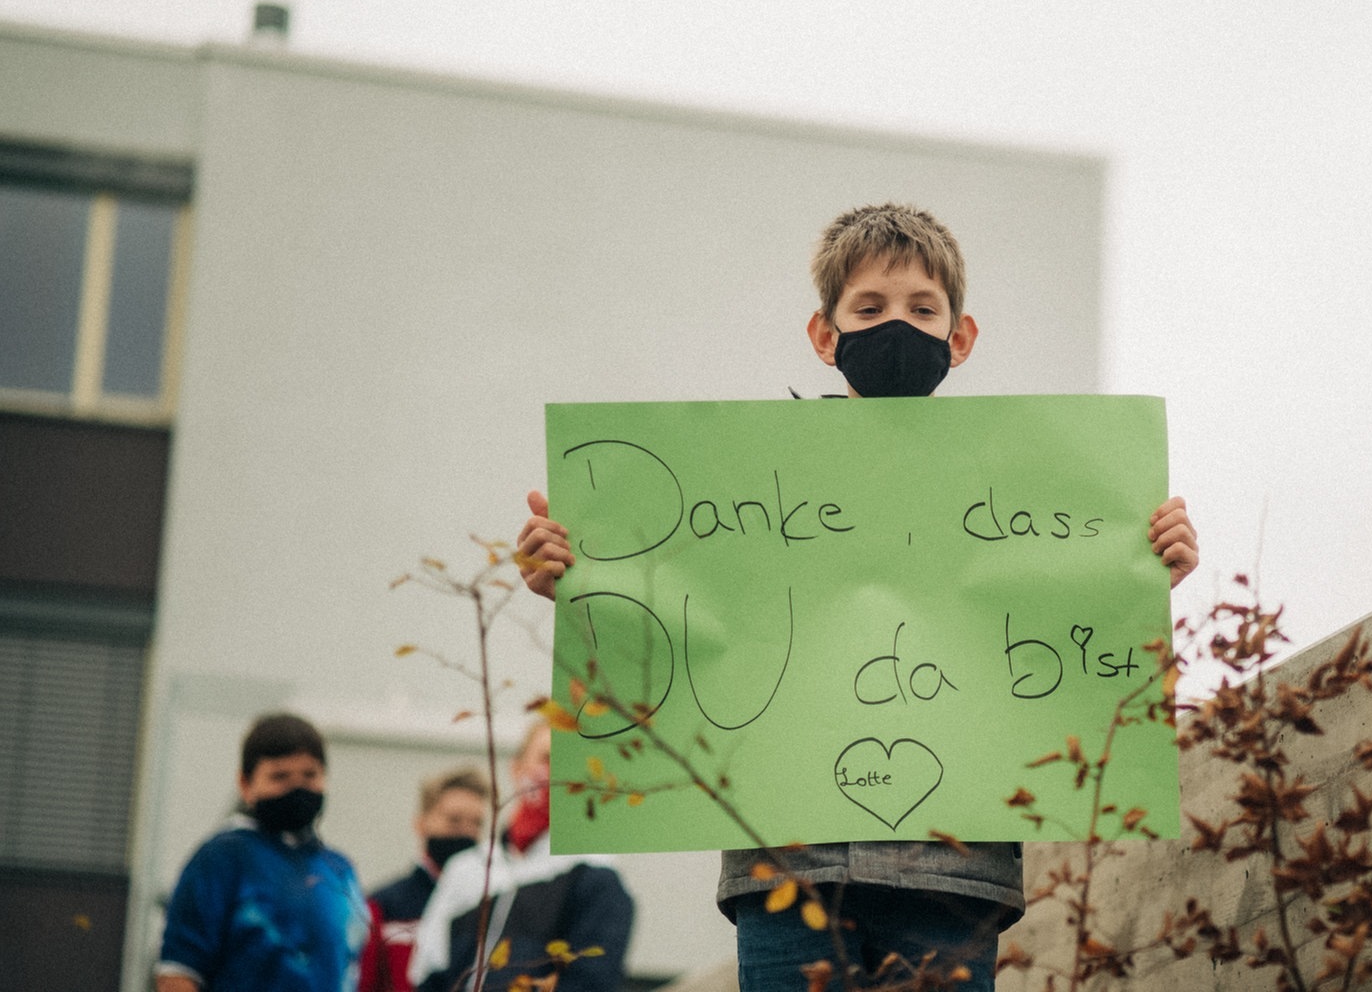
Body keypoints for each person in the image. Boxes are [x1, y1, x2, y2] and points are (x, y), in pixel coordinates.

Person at [514, 203, 1199, 992]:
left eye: (921, 308)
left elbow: (1066, 633)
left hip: (954, 878)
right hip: (786, 868)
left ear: (962, 335)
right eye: (869, 308)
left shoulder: (1029, 487)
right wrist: (573, 578)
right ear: (823, 333)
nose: (895, 325)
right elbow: (678, 613)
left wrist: (1140, 573)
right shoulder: (739, 482)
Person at [408, 722, 634, 992]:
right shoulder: (468, 869)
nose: (557, 773)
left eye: (571, 763)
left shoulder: (596, 877)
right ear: (516, 768)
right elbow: (430, 972)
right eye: (547, 759)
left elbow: (591, 982)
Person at [156, 712, 369, 992]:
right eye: (280, 776)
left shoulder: (338, 869)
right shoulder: (222, 859)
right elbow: (178, 974)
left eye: (310, 775)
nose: (298, 787)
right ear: (246, 784)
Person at [358, 767, 490, 992]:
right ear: (421, 823)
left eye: (476, 823)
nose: (466, 833)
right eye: (454, 820)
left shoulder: (491, 903)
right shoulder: (384, 906)